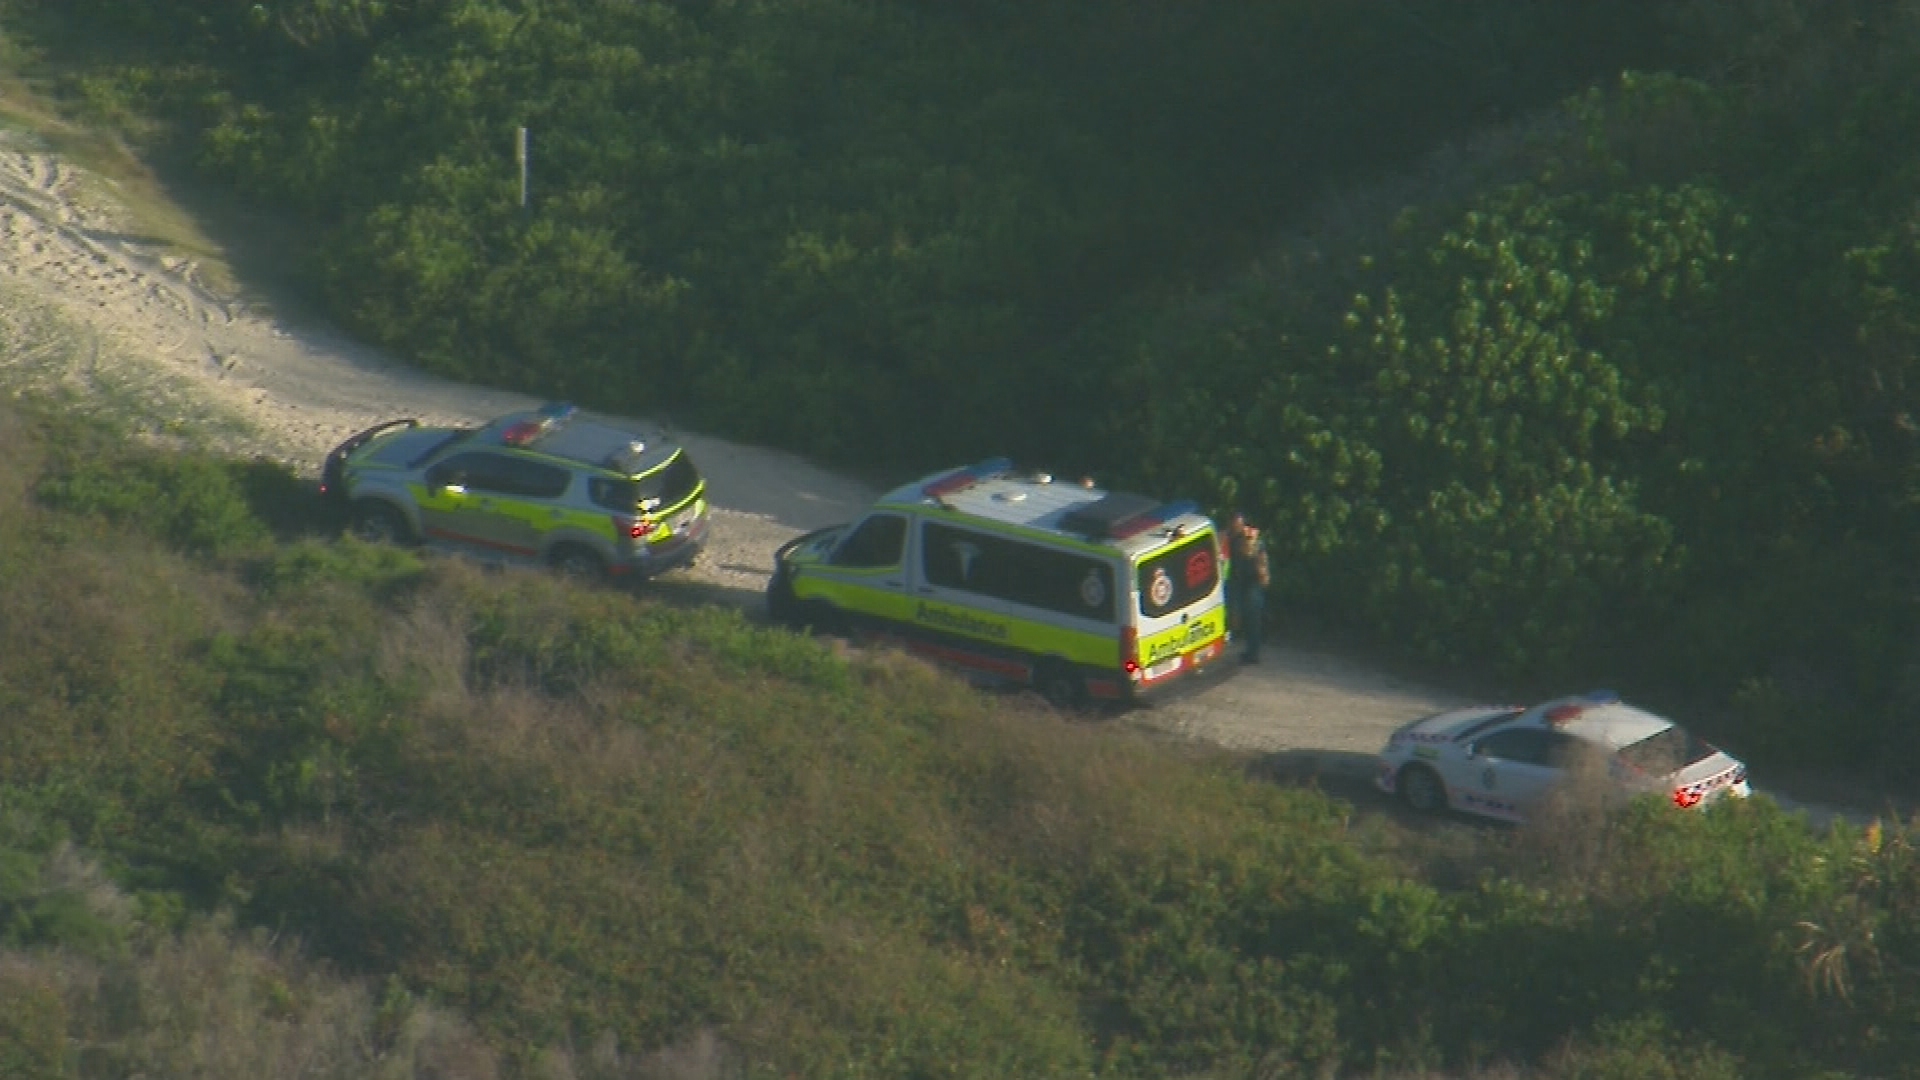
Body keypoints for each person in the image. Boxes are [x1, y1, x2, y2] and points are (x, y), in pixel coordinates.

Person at [1226, 512, 1269, 664]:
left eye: (1238, 524)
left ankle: (1253, 653)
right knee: (1237, 615)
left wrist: (1248, 539)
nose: (1235, 527)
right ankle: (1248, 650)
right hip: (1239, 582)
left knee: (1252, 619)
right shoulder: (1233, 538)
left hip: (1252, 583)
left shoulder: (1251, 539)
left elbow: (1250, 554)